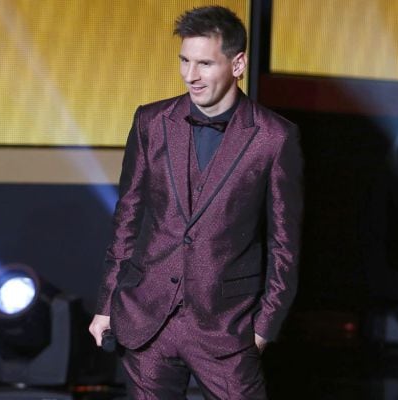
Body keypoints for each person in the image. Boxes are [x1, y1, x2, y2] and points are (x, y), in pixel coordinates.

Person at [88, 6, 303, 399]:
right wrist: (107, 302)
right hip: (147, 319)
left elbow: (284, 244)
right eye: (185, 61)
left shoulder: (275, 138)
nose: (191, 75)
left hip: (225, 327)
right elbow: (128, 218)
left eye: (204, 63)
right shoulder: (151, 122)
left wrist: (263, 327)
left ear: (238, 64)